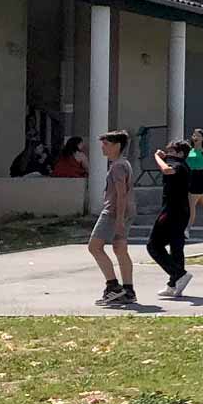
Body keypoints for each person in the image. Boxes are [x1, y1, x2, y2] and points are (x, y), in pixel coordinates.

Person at [88, 131, 137, 306]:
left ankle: (113, 286)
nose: (103, 147)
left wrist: (119, 221)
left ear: (117, 145)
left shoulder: (117, 166)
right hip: (125, 211)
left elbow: (121, 194)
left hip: (113, 212)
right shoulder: (124, 164)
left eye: (106, 144)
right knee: (120, 249)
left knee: (94, 247)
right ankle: (128, 290)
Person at [147, 141, 196, 298]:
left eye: (171, 151)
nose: (167, 154)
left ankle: (179, 274)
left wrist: (157, 157)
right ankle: (174, 284)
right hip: (180, 211)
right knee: (176, 247)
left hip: (172, 211)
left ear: (181, 153)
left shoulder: (179, 165)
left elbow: (167, 170)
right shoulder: (182, 165)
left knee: (153, 246)